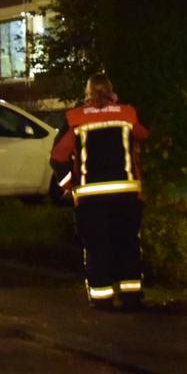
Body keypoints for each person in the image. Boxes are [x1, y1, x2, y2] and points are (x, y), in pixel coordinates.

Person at [52, 73, 150, 311]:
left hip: (90, 197)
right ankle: (131, 298)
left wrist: (69, 184)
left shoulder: (75, 118)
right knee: (128, 244)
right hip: (127, 194)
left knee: (96, 247)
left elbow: (58, 156)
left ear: (87, 92)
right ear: (111, 90)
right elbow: (144, 134)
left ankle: (102, 298)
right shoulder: (128, 114)